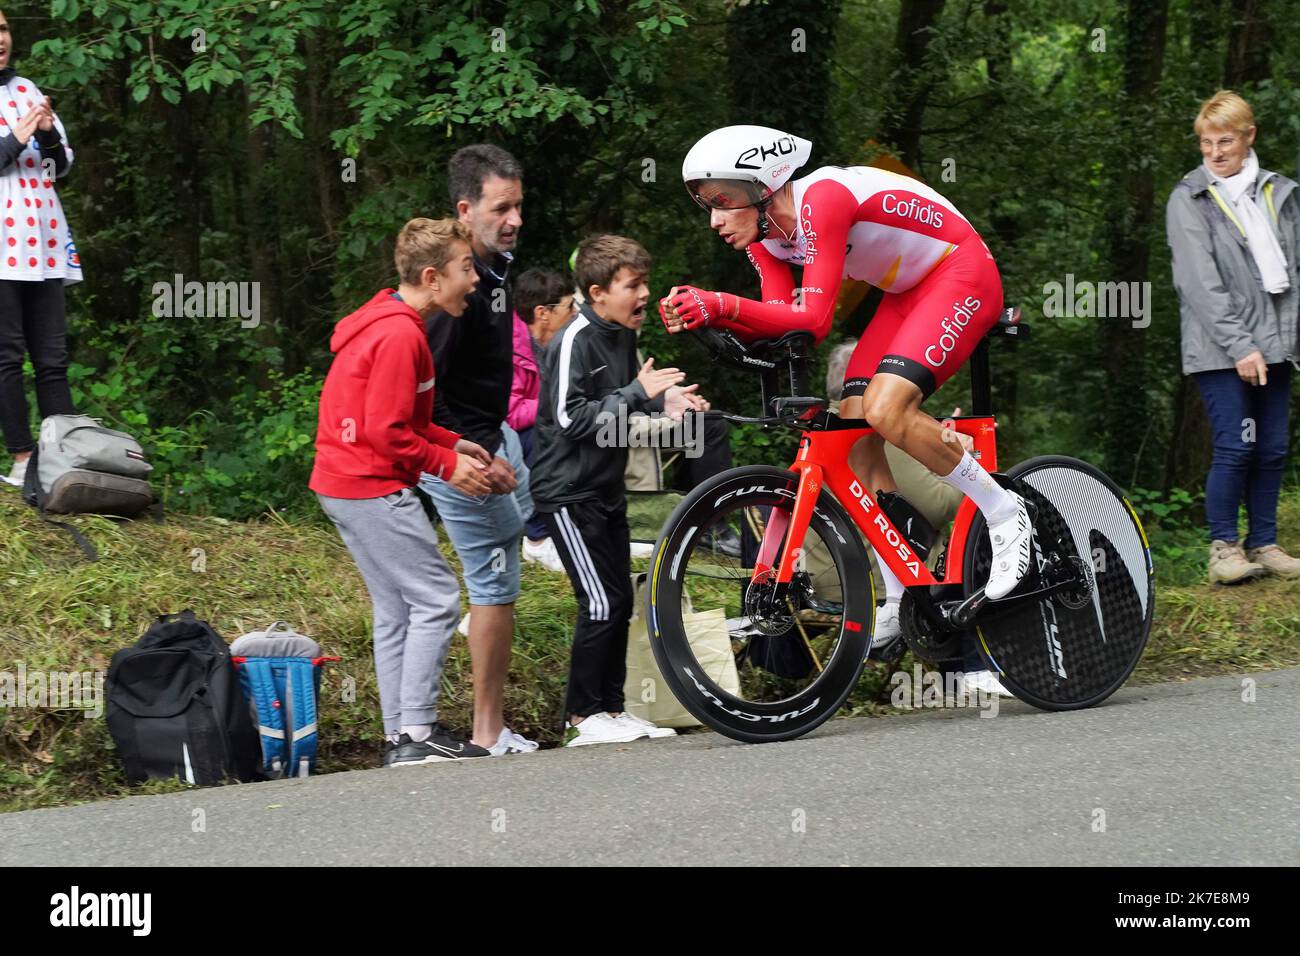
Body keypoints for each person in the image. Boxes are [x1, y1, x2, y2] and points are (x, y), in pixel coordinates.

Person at [660, 125, 1029, 694]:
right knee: (852, 432)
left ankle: (1005, 513)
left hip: (960, 272)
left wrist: (720, 303)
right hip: (907, 292)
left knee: (885, 407)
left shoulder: (822, 201)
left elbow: (815, 320)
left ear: (764, 185)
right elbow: (782, 321)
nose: (714, 219)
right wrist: (710, 317)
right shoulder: (767, 237)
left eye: (722, 201)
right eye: (706, 205)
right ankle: (903, 584)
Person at [310, 217, 495, 768]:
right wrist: (446, 466)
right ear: (434, 278)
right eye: (467, 269)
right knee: (436, 599)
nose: (476, 280)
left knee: (395, 608)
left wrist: (458, 444)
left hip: (343, 482)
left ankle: (400, 736)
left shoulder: (395, 324)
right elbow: (385, 433)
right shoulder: (398, 335)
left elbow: (407, 422)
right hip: (368, 484)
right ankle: (417, 732)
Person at [532, 234, 706, 746]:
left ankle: (611, 710)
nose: (645, 294)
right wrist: (639, 393)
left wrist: (664, 403)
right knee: (601, 601)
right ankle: (583, 718)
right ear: (598, 291)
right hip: (567, 494)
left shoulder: (621, 333)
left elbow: (621, 405)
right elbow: (571, 419)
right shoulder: (574, 338)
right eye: (633, 285)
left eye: (645, 282)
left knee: (620, 601)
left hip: (605, 489)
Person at [420, 144, 540, 756]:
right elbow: (421, 390)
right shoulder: (454, 285)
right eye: (501, 208)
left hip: (499, 439)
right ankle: (486, 734)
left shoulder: (495, 268)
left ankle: (485, 724)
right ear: (466, 211)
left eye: (518, 205)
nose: (515, 218)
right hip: (465, 456)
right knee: (495, 585)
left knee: (503, 568)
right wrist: (463, 457)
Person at [1168, 90, 1300, 585]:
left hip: (1278, 343)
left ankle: (1264, 545)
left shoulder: (1278, 193)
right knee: (1235, 446)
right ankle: (1224, 549)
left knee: (1270, 448)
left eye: (1225, 141)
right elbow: (1198, 283)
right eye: (1206, 143)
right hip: (1220, 349)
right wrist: (1241, 345)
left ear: (1249, 137)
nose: (1216, 152)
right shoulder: (1190, 199)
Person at [0, 8, 82, 486]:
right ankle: (20, 459)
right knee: (7, 356)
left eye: (4, 30)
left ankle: (61, 459)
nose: (1, 40)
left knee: (52, 359)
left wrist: (48, 134)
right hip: (2, 249)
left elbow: (58, 169)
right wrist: (18, 136)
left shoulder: (27, 88)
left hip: (45, 242)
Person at [508, 267, 574, 572]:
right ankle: (537, 540)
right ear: (542, 313)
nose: (575, 313)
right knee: (543, 434)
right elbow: (511, 414)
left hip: (545, 421)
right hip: (505, 439)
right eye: (569, 306)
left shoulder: (560, 340)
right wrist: (556, 406)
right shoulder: (511, 347)